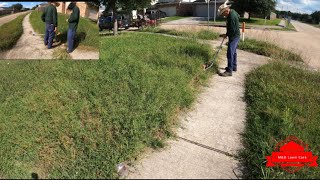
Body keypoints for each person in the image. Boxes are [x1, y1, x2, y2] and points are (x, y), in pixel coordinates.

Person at [218, 1, 240, 77]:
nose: (223, 15)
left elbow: (232, 30)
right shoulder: (232, 12)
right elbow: (238, 16)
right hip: (235, 36)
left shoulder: (231, 17)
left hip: (234, 37)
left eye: (223, 13)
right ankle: (234, 66)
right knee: (234, 52)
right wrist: (227, 34)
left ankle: (229, 71)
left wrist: (226, 35)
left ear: (226, 11)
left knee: (230, 52)